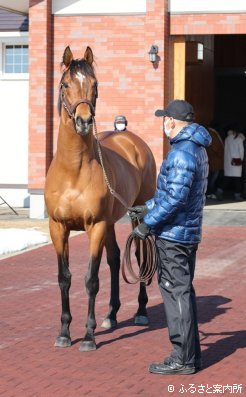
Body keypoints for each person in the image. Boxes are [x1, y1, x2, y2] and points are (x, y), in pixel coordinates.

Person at [128, 99, 212, 375]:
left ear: (173, 122)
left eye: (165, 119)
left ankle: (182, 359)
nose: (163, 123)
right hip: (185, 233)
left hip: (175, 236)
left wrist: (147, 224)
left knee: (176, 294)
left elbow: (176, 198)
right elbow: (170, 195)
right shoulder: (194, 149)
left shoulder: (181, 153)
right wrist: (147, 206)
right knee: (183, 292)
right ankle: (190, 356)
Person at [223, 126, 244, 201]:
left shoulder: (227, 138)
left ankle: (219, 191)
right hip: (237, 161)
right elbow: (241, 151)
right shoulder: (239, 139)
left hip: (228, 161)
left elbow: (225, 151)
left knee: (226, 179)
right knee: (237, 180)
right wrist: (241, 160)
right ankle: (237, 196)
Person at [206, 126, 224, 199]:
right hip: (215, 160)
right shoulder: (213, 133)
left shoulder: (211, 133)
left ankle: (209, 192)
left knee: (211, 177)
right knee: (213, 178)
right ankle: (210, 193)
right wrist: (221, 154)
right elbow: (216, 147)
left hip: (212, 159)